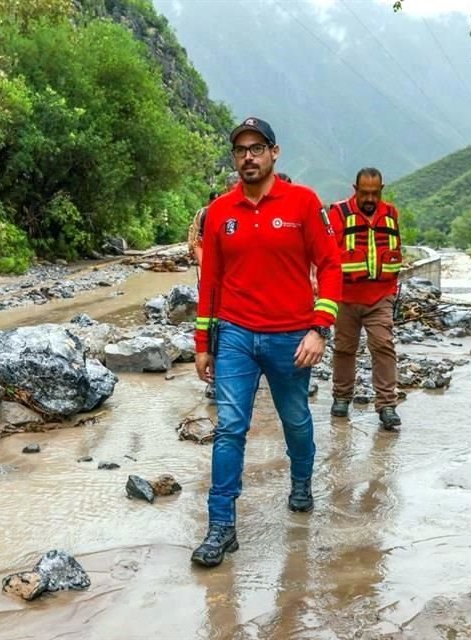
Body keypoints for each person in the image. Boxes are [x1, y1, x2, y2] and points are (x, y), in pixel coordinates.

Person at [191, 116, 342, 568]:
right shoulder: (220, 211)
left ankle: (301, 481)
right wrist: (204, 342)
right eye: (241, 150)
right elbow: (211, 282)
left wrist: (320, 327)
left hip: (292, 335)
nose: (248, 157)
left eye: (257, 148)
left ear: (275, 153)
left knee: (294, 419)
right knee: (229, 427)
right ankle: (221, 526)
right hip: (235, 334)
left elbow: (331, 266)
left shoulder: (302, 203)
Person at [327, 167, 403, 430]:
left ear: (381, 190)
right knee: (344, 348)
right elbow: (326, 256)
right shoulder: (337, 214)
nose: (369, 199)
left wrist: (392, 291)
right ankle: (341, 397)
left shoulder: (391, 214)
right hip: (345, 297)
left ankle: (387, 405)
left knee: (383, 345)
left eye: (374, 193)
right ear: (355, 190)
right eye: (364, 193)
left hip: (380, 296)